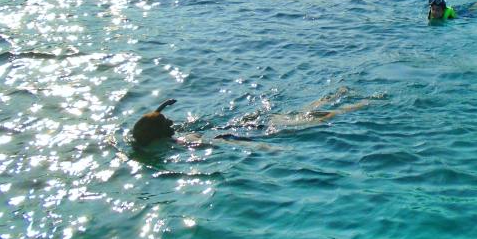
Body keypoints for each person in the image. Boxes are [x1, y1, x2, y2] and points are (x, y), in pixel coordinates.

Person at [130, 88, 368, 147]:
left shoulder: (171, 139)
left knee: (313, 119)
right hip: (247, 125)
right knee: (303, 115)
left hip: (250, 129)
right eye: (166, 122)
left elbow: (222, 140)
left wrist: (263, 147)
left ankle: (360, 104)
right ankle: (339, 97)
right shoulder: (175, 138)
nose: (171, 121)